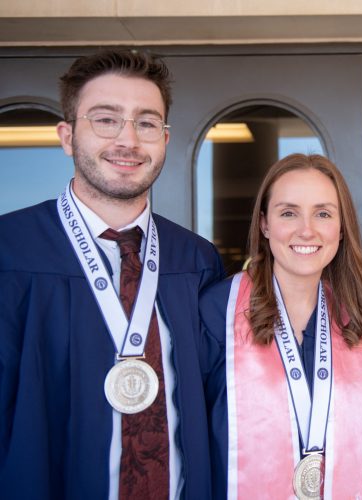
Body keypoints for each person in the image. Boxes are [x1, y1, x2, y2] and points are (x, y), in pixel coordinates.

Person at [0, 50, 224, 499]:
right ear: (67, 136)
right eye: (106, 119)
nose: (129, 140)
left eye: (146, 123)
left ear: (164, 138)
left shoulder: (196, 261)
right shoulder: (9, 251)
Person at [200, 154, 362, 499]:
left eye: (323, 213)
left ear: (341, 229)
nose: (306, 230)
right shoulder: (216, 313)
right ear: (265, 224)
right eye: (288, 213)